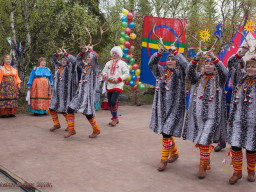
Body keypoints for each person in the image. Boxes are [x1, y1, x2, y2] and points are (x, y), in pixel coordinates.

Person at [183, 49, 228, 179]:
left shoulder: (220, 79)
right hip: (198, 117)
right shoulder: (197, 78)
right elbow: (189, 72)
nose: (208, 65)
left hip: (213, 116)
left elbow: (224, 71)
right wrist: (196, 58)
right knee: (204, 140)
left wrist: (214, 57)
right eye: (206, 63)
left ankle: (202, 166)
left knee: (204, 140)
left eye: (210, 63)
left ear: (214, 65)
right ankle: (206, 159)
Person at [148, 45, 188, 171]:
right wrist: (160, 52)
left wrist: (174, 51)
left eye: (173, 59)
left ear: (176, 61)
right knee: (165, 132)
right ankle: (174, 153)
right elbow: (151, 63)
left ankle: (163, 160)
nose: (170, 61)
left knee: (166, 132)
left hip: (175, 108)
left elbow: (186, 64)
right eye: (169, 59)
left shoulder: (180, 73)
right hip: (161, 108)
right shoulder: (161, 71)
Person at [227, 46, 256, 184]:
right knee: (235, 146)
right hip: (237, 120)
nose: (250, 68)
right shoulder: (240, 78)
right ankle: (237, 172)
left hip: (253, 123)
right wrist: (241, 52)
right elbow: (230, 63)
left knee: (251, 149)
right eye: (249, 66)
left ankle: (251, 170)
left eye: (254, 67)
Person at [65, 47, 101, 138]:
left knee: (88, 114)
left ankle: (96, 130)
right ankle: (71, 129)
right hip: (79, 93)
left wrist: (91, 50)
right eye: (87, 57)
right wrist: (82, 52)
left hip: (87, 95)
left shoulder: (95, 68)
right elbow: (77, 60)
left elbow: (95, 60)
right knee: (69, 109)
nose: (88, 58)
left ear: (93, 58)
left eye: (90, 57)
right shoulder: (84, 66)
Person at [214, 60, 245, 152]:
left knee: (234, 123)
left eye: (237, 65)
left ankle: (235, 143)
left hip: (236, 104)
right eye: (234, 65)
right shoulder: (226, 74)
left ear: (241, 66)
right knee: (222, 122)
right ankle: (222, 142)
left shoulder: (243, 76)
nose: (235, 67)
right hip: (224, 101)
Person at [48, 49, 79, 133]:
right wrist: (57, 54)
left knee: (65, 110)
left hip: (67, 94)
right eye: (62, 59)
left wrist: (66, 54)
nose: (63, 61)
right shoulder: (57, 66)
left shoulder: (70, 67)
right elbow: (52, 60)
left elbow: (75, 61)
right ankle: (57, 124)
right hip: (56, 93)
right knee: (51, 108)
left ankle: (70, 126)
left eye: (65, 60)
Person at [102, 46, 129, 126]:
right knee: (110, 103)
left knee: (113, 101)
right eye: (113, 53)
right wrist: (105, 75)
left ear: (119, 55)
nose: (114, 55)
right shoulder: (108, 63)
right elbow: (104, 71)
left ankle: (114, 118)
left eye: (116, 53)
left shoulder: (122, 63)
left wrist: (119, 79)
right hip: (110, 84)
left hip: (118, 84)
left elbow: (126, 73)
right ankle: (115, 117)